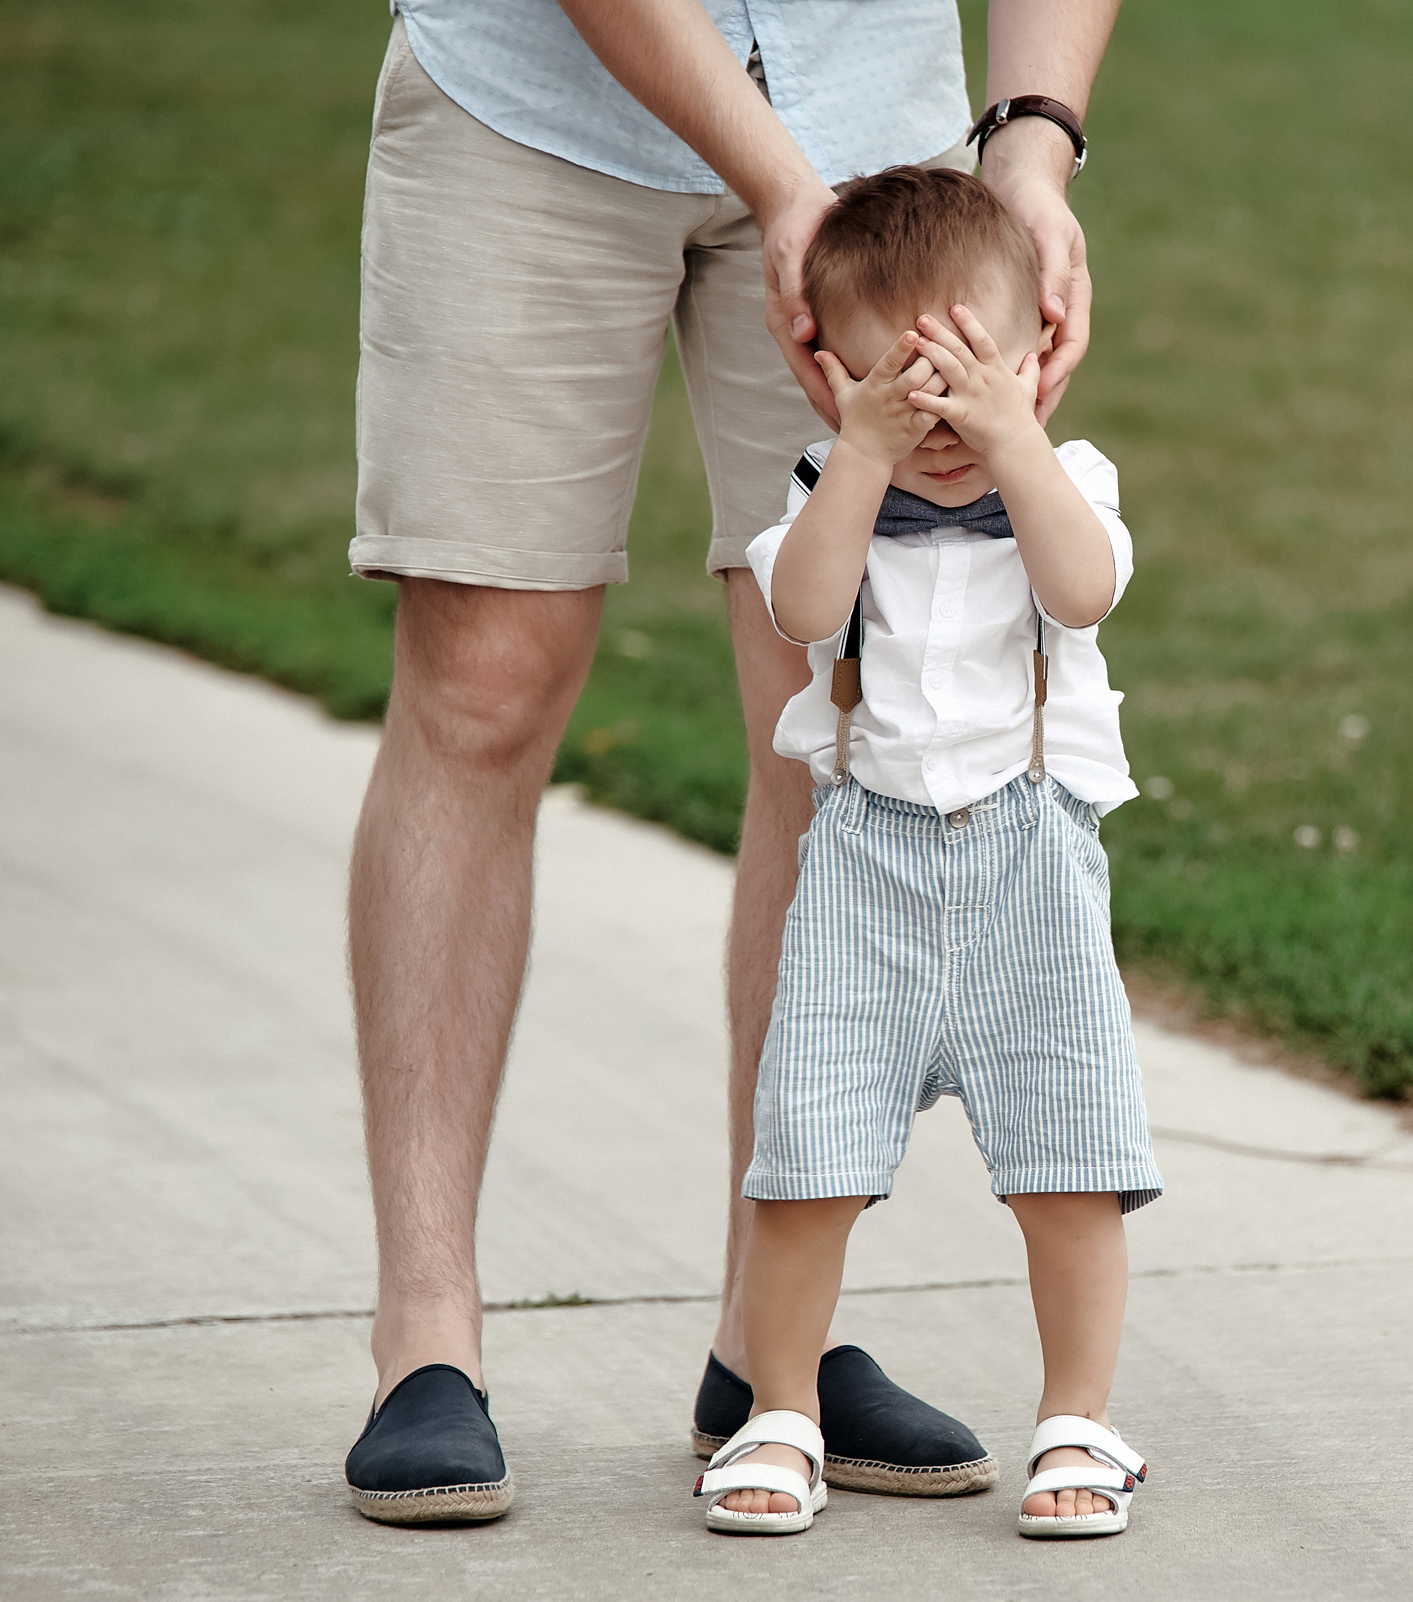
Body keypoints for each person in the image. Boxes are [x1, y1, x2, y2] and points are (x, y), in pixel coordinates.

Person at [338, 0, 1122, 1525]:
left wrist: (1032, 148)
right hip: (535, 100)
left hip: (878, 129)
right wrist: (778, 185)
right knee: (485, 679)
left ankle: (769, 1359)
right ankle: (423, 1342)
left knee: (844, 726)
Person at [691, 166, 1160, 1540]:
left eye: (974, 372)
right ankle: (780, 1409)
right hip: (866, 871)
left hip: (1032, 863)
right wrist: (862, 450)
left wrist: (1013, 441)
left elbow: (1083, 587)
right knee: (808, 1159)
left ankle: (1077, 1414)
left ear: (1041, 354)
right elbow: (804, 604)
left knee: (1069, 1159)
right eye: (905, 378)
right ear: (831, 373)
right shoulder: (824, 492)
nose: (941, 414)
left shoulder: (1063, 483)